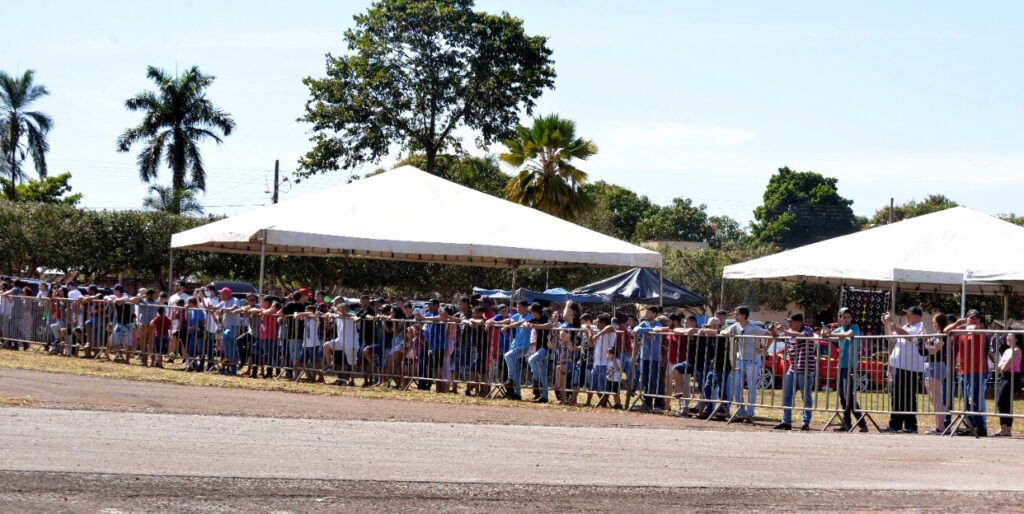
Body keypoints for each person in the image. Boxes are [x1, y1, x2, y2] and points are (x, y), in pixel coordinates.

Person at [720, 306, 771, 421]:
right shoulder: (736, 326)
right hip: (741, 360)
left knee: (751, 387)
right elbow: (723, 331)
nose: (735, 316)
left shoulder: (753, 328)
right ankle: (740, 412)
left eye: (737, 314)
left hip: (753, 360)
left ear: (743, 315)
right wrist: (727, 333)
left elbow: (769, 334)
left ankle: (750, 412)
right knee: (736, 386)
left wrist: (765, 349)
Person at [944, 309, 988, 436]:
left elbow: (974, 328)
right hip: (964, 370)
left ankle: (981, 428)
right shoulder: (962, 330)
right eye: (971, 317)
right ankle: (971, 427)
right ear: (966, 318)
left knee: (974, 399)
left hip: (978, 370)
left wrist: (964, 326)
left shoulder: (980, 329)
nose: (974, 319)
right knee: (966, 401)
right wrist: (957, 323)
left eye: (976, 317)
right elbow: (946, 331)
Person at [882, 306, 926, 434]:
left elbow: (908, 336)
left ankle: (910, 426)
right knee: (896, 396)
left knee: (908, 397)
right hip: (899, 366)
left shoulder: (920, 327)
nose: (906, 316)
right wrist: (886, 323)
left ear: (917, 316)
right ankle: (895, 425)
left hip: (910, 368)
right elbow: (890, 337)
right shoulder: (906, 326)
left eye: (909, 314)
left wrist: (892, 322)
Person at [824, 307, 868, 432]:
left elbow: (847, 335)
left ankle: (862, 424)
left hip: (851, 367)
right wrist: (824, 331)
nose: (847, 319)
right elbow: (825, 337)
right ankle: (847, 423)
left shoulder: (855, 327)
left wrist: (830, 333)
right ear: (840, 319)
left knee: (849, 397)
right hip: (841, 366)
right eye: (844, 317)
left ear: (851, 318)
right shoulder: (838, 329)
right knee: (843, 397)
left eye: (848, 317)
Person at [773, 313, 816, 431]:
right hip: (793, 369)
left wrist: (785, 331)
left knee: (805, 396)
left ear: (799, 322)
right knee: (787, 395)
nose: (789, 324)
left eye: (791, 322)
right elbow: (777, 338)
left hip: (806, 369)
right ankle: (786, 421)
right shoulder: (790, 332)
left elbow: (802, 336)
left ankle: (805, 422)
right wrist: (772, 330)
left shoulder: (808, 330)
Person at [921, 313, 952, 434]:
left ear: (940, 322)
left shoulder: (942, 335)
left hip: (936, 366)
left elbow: (934, 350)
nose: (933, 324)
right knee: (933, 398)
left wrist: (925, 341)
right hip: (930, 366)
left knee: (936, 398)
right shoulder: (936, 335)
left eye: (934, 322)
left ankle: (941, 427)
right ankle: (939, 425)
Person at [500, 301, 534, 400]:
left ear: (526, 307)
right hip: (515, 345)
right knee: (516, 370)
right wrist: (492, 321)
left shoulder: (530, 317)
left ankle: (510, 379)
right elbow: (509, 320)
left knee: (508, 356)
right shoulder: (517, 316)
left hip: (524, 346)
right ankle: (517, 393)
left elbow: (520, 323)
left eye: (520, 307)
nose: (518, 309)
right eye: (517, 307)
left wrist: (507, 326)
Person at [633, 306, 665, 413]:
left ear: (654, 314)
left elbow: (657, 330)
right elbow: (636, 330)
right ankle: (647, 403)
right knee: (646, 381)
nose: (646, 314)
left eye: (648, 312)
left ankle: (659, 404)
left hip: (654, 358)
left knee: (655, 381)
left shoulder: (658, 324)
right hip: (644, 357)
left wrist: (644, 332)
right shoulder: (643, 323)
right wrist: (649, 331)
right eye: (646, 312)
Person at [324, 300, 358, 386]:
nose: (341, 310)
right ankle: (329, 365)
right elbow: (328, 314)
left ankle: (352, 381)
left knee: (352, 363)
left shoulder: (351, 314)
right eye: (340, 308)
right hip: (340, 341)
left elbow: (344, 315)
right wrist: (329, 314)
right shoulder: (337, 314)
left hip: (351, 342)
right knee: (326, 345)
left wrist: (335, 310)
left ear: (346, 308)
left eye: (343, 308)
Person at [994, 333, 1022, 437]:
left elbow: (1004, 366)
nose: (1007, 338)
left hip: (1012, 377)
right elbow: (999, 365)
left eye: (1010, 336)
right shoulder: (1007, 351)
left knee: (1001, 401)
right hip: (1004, 377)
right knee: (1005, 403)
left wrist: (1002, 366)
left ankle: (1005, 428)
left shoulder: (1017, 350)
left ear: (1016, 339)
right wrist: (1001, 366)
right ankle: (1006, 429)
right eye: (1007, 336)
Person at [525, 304, 554, 403]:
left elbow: (550, 325)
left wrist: (535, 326)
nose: (531, 313)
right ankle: (544, 397)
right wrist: (527, 324)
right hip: (539, 347)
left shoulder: (544, 318)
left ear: (536, 311)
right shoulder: (534, 319)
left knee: (531, 360)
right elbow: (525, 322)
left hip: (545, 347)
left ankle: (536, 379)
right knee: (543, 374)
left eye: (532, 311)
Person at [588, 313, 617, 407]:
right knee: (594, 386)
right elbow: (591, 345)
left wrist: (597, 335)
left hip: (606, 363)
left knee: (603, 386)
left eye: (598, 322)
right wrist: (589, 334)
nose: (596, 324)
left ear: (603, 323)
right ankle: (603, 402)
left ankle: (603, 403)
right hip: (596, 363)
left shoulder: (610, 331)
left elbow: (610, 327)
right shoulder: (597, 331)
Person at [279, 291, 308, 380]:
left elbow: (280, 312)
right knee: (297, 354)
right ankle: (300, 373)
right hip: (300, 333)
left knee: (294, 354)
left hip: (293, 334)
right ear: (300, 297)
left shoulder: (290, 305)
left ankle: (297, 374)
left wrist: (284, 317)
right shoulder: (302, 306)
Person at [136, 289, 161, 367]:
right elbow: (132, 300)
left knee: (151, 344)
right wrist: (140, 297)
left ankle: (152, 362)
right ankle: (144, 361)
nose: (155, 296)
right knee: (142, 344)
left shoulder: (157, 303)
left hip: (152, 326)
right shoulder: (142, 301)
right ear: (148, 295)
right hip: (143, 325)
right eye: (153, 295)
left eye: (155, 295)